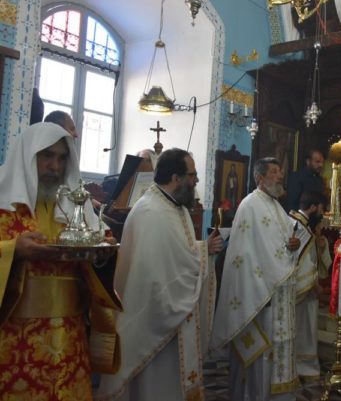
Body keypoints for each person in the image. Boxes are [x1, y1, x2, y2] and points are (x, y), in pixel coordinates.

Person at [0, 122, 120, 399]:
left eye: (62, 158)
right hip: (13, 335)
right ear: (29, 154)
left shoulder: (74, 207)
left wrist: (102, 254)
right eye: (47, 155)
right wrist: (14, 250)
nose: (54, 166)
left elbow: (100, 246)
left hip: (68, 334)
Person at [96, 148, 223, 401]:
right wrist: (203, 251)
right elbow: (160, 270)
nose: (196, 180)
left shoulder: (174, 207)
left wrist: (201, 249)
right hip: (154, 317)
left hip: (172, 318)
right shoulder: (151, 211)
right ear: (176, 178)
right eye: (193, 175)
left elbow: (177, 253)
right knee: (154, 385)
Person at [211, 157, 305, 401]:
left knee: (275, 349)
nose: (280, 175)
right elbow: (254, 252)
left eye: (280, 171)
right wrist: (283, 259)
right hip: (259, 294)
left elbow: (283, 242)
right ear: (260, 178)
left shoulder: (275, 205)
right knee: (259, 355)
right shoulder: (250, 205)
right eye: (274, 172)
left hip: (277, 292)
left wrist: (293, 245)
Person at [289, 191, 331, 382]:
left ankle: (301, 366)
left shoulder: (303, 226)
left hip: (305, 291)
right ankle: (297, 366)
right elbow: (298, 262)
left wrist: (321, 246)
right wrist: (313, 284)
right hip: (300, 290)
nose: (322, 213)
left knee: (304, 329)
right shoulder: (298, 226)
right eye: (321, 208)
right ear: (313, 207)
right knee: (299, 329)